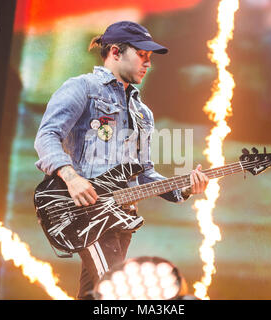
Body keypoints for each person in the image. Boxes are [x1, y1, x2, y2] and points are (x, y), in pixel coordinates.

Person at [34, 21, 209, 299]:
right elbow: (46, 136)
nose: (147, 64)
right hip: (87, 212)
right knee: (120, 294)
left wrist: (185, 186)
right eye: (142, 55)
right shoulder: (83, 88)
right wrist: (71, 177)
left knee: (96, 296)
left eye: (149, 58)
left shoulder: (143, 113)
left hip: (122, 218)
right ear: (115, 52)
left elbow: (144, 173)